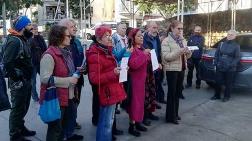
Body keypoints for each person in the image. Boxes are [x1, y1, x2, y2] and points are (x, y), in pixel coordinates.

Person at [86, 25, 126, 141]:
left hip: (111, 91)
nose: (110, 38)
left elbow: (109, 68)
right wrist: (113, 73)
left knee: (108, 122)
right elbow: (94, 79)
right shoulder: (96, 54)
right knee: (106, 124)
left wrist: (119, 69)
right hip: (106, 93)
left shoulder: (107, 51)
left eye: (110, 35)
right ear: (98, 39)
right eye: (106, 36)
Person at [40, 25, 78, 141]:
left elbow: (66, 71)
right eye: (68, 36)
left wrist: (76, 71)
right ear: (59, 37)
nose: (70, 38)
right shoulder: (49, 55)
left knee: (62, 130)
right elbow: (45, 79)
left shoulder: (66, 52)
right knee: (55, 131)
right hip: (56, 99)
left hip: (68, 97)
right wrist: (68, 80)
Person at [2, 15, 36, 141]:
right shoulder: (14, 41)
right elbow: (8, 62)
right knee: (17, 109)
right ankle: (14, 135)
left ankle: (20, 128)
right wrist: (18, 78)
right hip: (19, 82)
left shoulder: (22, 39)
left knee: (23, 107)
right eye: (29, 25)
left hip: (25, 80)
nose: (31, 27)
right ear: (22, 27)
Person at [58, 19, 84, 140]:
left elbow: (81, 58)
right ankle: (64, 133)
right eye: (72, 26)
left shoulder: (77, 42)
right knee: (66, 109)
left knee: (74, 105)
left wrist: (84, 68)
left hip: (78, 79)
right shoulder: (60, 45)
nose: (75, 28)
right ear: (63, 29)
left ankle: (70, 129)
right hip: (66, 82)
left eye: (75, 26)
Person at [161, 20, 191, 125]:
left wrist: (188, 52)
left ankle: (175, 113)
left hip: (181, 69)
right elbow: (166, 57)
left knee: (178, 93)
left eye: (182, 28)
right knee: (172, 94)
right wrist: (180, 51)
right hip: (172, 70)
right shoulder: (166, 41)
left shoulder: (182, 40)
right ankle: (170, 116)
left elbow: (187, 56)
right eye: (179, 28)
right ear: (172, 28)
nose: (181, 30)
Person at [127, 28, 150, 137]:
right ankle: (132, 126)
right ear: (133, 38)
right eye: (138, 36)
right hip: (135, 81)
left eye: (142, 36)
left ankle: (138, 122)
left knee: (140, 103)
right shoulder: (132, 50)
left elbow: (146, 62)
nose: (141, 37)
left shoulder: (142, 48)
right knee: (134, 104)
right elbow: (134, 65)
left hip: (142, 80)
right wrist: (144, 55)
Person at [111, 22, 131, 139]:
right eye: (122, 28)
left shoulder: (127, 39)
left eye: (125, 28)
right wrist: (125, 50)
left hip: (126, 68)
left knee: (122, 92)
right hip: (118, 69)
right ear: (117, 29)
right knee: (116, 95)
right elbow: (116, 56)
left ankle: (119, 106)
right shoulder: (114, 39)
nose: (125, 30)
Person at [211, 30, 240, 102]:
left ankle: (227, 96)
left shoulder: (236, 46)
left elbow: (237, 57)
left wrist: (231, 65)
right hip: (220, 66)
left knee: (228, 83)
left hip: (230, 68)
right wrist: (216, 64)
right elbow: (217, 54)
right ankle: (217, 95)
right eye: (228, 34)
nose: (229, 36)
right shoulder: (221, 44)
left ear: (235, 36)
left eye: (231, 35)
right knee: (218, 82)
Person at [143, 21, 165, 113]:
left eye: (156, 28)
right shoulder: (143, 39)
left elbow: (158, 52)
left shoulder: (156, 38)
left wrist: (160, 63)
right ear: (148, 28)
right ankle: (147, 112)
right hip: (148, 68)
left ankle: (153, 105)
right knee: (147, 91)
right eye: (153, 28)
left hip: (157, 66)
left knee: (155, 87)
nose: (156, 30)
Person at [29, 23, 47, 101]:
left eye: (35, 29)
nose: (34, 30)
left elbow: (45, 48)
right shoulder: (29, 39)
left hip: (41, 62)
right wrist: (32, 37)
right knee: (33, 82)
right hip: (32, 63)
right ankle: (35, 97)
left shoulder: (40, 37)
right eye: (32, 29)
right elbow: (28, 49)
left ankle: (45, 95)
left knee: (45, 79)